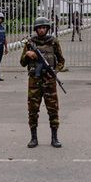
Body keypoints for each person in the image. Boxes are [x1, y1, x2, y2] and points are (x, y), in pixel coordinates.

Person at [20, 17, 66, 149]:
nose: (42, 29)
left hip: (49, 81)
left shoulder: (53, 42)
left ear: (47, 28)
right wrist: (27, 54)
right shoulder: (30, 43)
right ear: (36, 29)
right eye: (39, 27)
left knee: (53, 109)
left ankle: (54, 137)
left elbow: (61, 61)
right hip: (34, 81)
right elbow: (22, 63)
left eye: (44, 27)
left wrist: (55, 71)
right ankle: (33, 138)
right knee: (33, 110)